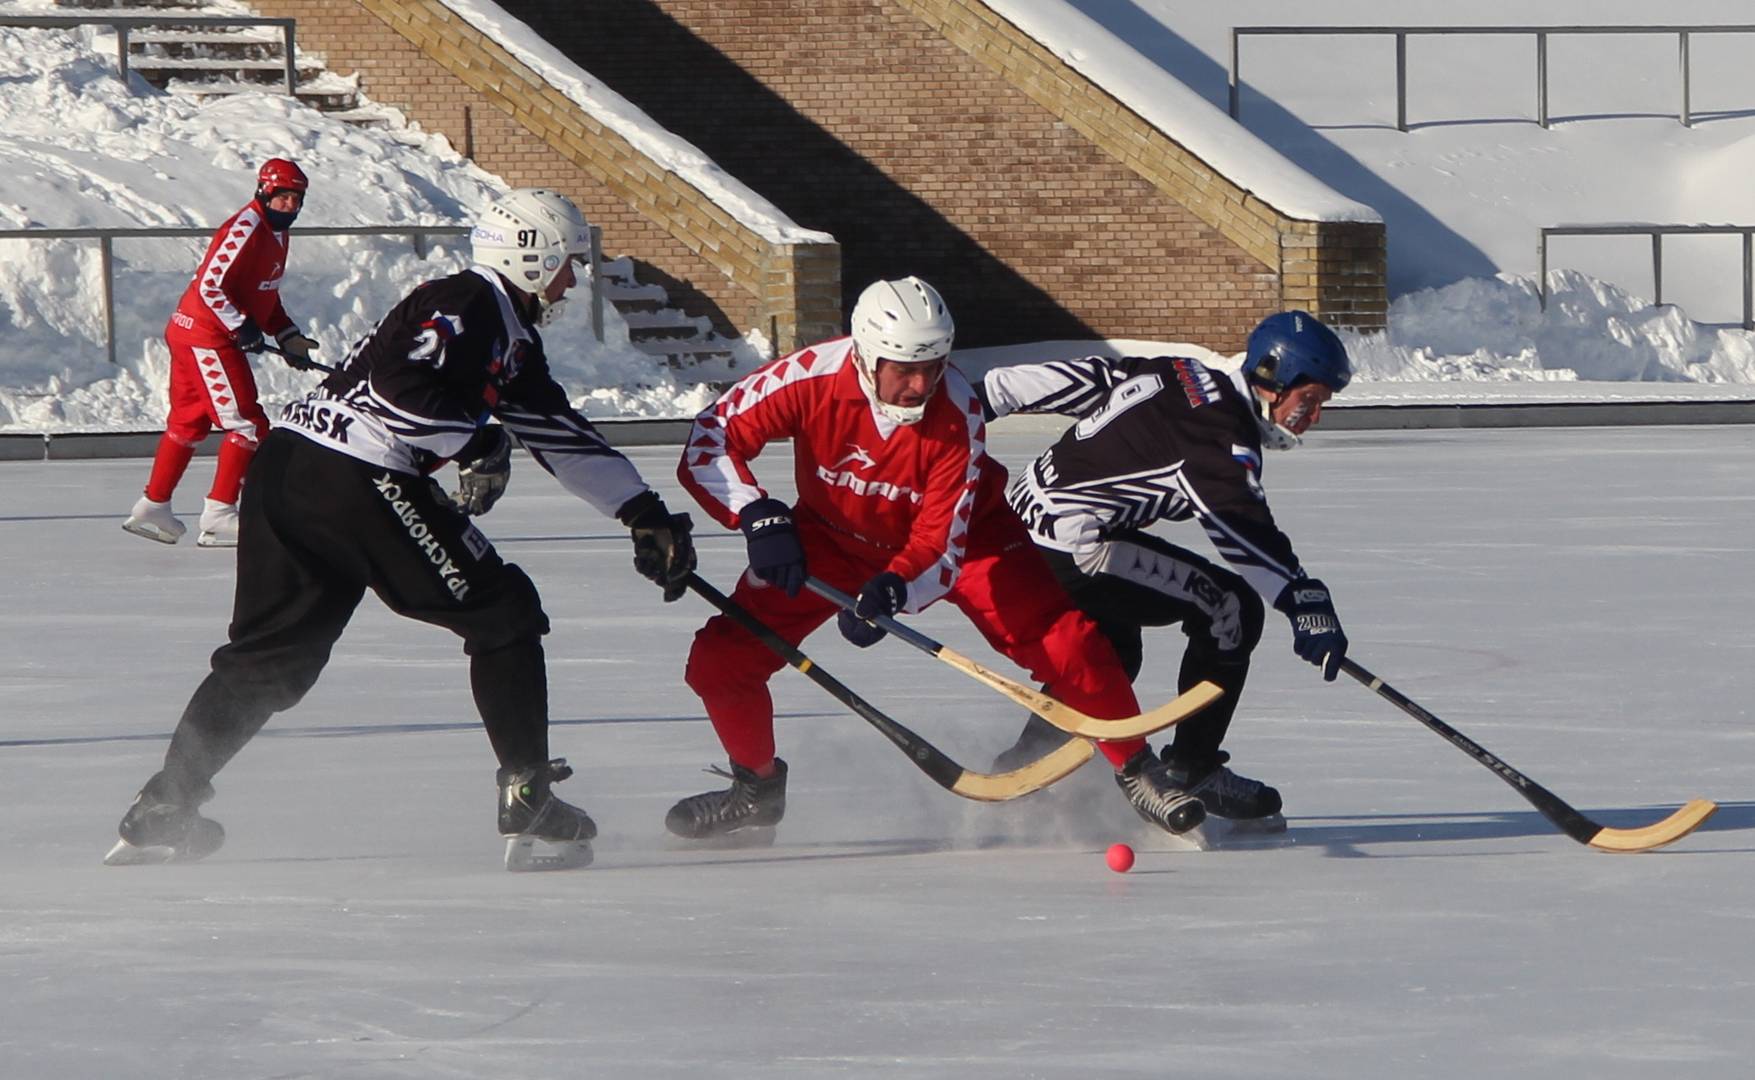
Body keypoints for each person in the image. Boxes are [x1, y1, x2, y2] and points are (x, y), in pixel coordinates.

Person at [104, 188, 698, 871]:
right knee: (503, 614)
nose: (574, 277)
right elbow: (400, 387)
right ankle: (528, 797)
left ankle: (163, 805)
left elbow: (559, 435)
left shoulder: (505, 330)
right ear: (530, 258)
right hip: (354, 476)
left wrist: (641, 514)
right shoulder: (468, 303)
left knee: (272, 662)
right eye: (567, 262)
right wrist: (477, 443)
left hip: (287, 470)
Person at [668, 276, 1210, 843]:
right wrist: (758, 515)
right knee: (720, 660)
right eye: (904, 368)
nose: (921, 383)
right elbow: (713, 436)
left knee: (1066, 641)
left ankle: (1137, 768)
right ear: (864, 353)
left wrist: (895, 588)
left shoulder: (956, 412)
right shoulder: (808, 377)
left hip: (967, 538)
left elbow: (940, 542)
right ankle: (756, 790)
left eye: (934, 365)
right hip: (829, 535)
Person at [977, 311, 1354, 830]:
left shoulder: (1181, 372)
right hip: (1074, 544)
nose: (1312, 417)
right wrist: (1302, 600)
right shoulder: (1221, 440)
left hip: (1021, 521)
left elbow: (1087, 378)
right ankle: (1192, 768)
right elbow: (1241, 531)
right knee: (1231, 611)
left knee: (1111, 654)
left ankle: (1021, 772)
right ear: (1272, 378)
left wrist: (980, 395)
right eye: (1309, 401)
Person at [124, 158, 324, 548]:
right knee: (247, 423)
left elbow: (263, 290)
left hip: (196, 333)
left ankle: (153, 506)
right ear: (264, 192)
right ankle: (219, 514)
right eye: (282, 197)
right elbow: (210, 288)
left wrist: (286, 335)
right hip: (205, 336)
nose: (289, 206)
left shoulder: (277, 234)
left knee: (188, 424)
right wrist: (241, 326)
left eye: (296, 199)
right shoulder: (246, 227)